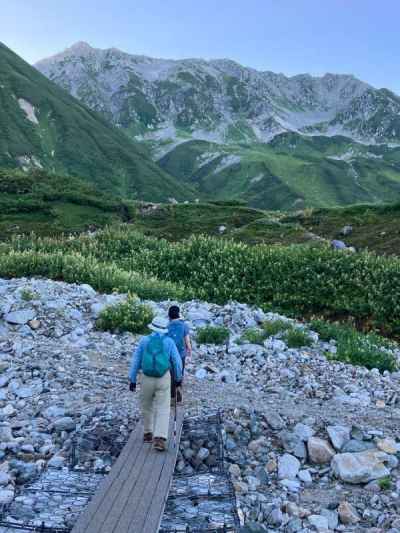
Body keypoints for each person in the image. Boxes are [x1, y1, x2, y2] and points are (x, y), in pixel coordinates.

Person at [129, 316, 182, 452]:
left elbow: (136, 360)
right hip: (163, 377)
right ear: (165, 329)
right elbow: (176, 361)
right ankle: (159, 439)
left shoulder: (144, 340)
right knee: (163, 407)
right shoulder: (169, 342)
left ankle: (148, 433)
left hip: (146, 377)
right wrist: (178, 379)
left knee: (146, 405)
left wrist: (132, 379)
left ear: (151, 327)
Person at [167, 306, 191, 403]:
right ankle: (179, 388)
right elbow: (187, 340)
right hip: (181, 353)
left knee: (171, 373)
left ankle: (172, 395)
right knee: (180, 371)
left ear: (169, 315)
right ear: (178, 313)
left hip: (170, 354)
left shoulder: (167, 326)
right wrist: (189, 349)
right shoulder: (184, 325)